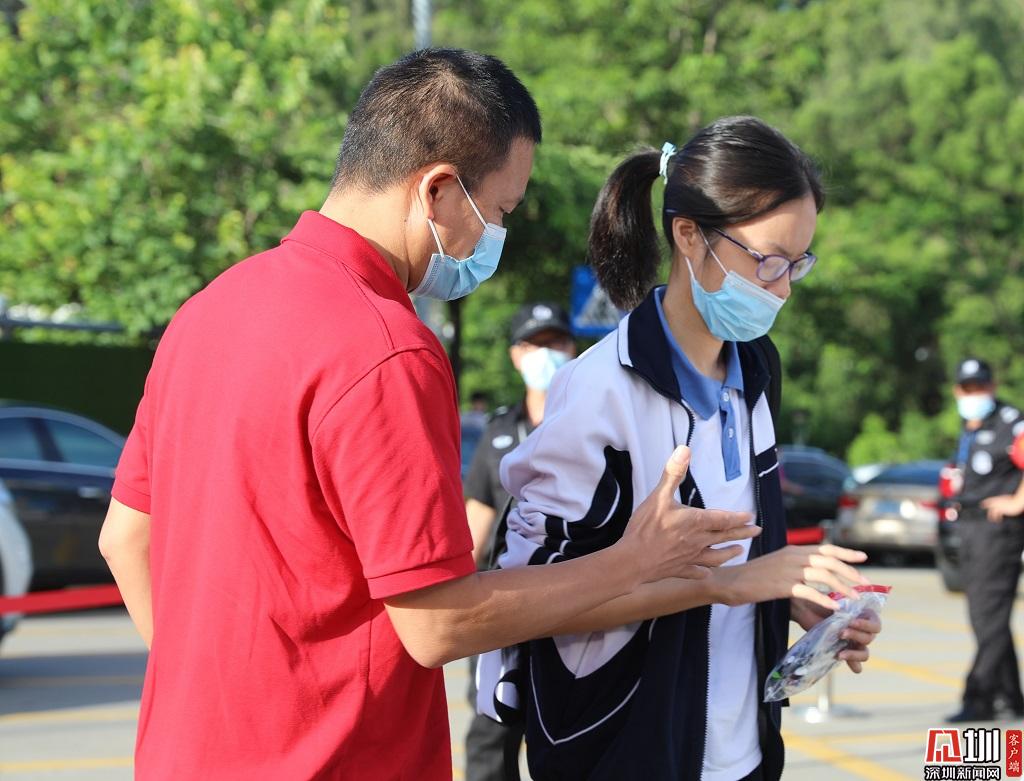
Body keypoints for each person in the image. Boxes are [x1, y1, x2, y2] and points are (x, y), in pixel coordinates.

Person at [96, 49, 761, 780]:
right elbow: (436, 621)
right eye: (499, 212)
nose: (494, 237)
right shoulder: (385, 347)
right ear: (439, 189)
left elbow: (125, 537)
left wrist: (218, 705)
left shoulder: (206, 311)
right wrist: (633, 560)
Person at [479, 117, 882, 781]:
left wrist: (789, 603)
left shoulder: (757, 367)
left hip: (742, 750)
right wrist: (730, 585)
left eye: (798, 264)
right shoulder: (599, 390)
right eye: (767, 261)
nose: (783, 288)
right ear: (689, 235)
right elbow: (528, 601)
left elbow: (741, 565)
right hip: (620, 749)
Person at [463, 302, 577, 780]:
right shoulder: (498, 433)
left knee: (574, 740)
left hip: (578, 608)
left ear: (573, 349)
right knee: (492, 737)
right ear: (515, 355)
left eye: (556, 343)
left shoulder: (594, 425)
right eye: (535, 345)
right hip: (504, 612)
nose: (546, 354)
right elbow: (474, 530)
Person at [946, 358, 1024, 723]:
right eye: (968, 388)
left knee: (988, 617)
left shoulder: (1011, 421)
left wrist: (1018, 501)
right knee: (986, 618)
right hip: (970, 527)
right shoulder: (969, 426)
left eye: (980, 386)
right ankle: (1010, 698)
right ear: (957, 391)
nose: (974, 394)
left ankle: (978, 698)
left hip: (998, 530)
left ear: (992, 387)